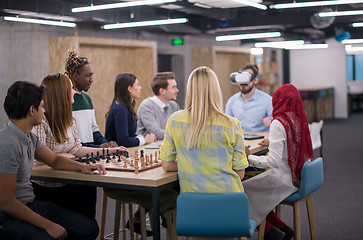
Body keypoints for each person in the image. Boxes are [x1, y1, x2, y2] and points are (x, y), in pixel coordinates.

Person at [0, 81, 105, 240]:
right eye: (42, 106)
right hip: (9, 216)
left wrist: (81, 167)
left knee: (88, 228)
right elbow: (6, 202)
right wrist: (47, 225)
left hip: (32, 205)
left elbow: (54, 160)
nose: (44, 110)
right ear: (32, 110)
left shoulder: (29, 137)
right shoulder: (8, 143)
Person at [31, 73, 126, 220]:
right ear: (60, 94)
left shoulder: (69, 118)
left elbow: (77, 150)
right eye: (70, 89)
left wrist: (110, 151)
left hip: (67, 181)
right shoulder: (40, 120)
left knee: (88, 189)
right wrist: (68, 156)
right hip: (47, 188)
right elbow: (39, 159)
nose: (75, 91)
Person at [160, 66, 248, 194]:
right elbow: (240, 174)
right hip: (228, 201)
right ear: (215, 90)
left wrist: (192, 163)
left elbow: (166, 165)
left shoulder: (175, 120)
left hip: (193, 205)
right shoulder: (231, 124)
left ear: (190, 90)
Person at [243, 83, 314, 240]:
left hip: (282, 179)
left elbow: (273, 162)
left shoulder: (278, 122)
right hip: (296, 176)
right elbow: (294, 145)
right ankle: (282, 229)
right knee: (253, 194)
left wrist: (248, 159)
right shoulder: (298, 119)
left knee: (241, 191)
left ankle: (270, 233)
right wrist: (274, 143)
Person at [65, 49, 117, 148]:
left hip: (90, 153)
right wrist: (98, 148)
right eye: (88, 76)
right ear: (75, 76)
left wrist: (105, 143)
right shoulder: (64, 100)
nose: (91, 80)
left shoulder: (87, 99)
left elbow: (94, 131)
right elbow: (71, 144)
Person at [105, 72, 156, 147]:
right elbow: (123, 141)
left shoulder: (126, 107)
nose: (140, 88)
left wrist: (142, 138)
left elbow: (131, 136)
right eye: (137, 85)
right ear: (129, 88)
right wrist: (144, 140)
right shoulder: (120, 109)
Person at [225, 64, 273, 132]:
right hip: (239, 140)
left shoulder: (268, 100)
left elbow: (276, 126)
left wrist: (271, 124)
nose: (243, 82)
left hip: (259, 140)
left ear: (255, 80)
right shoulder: (231, 101)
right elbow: (227, 125)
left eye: (247, 77)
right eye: (241, 78)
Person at [137, 72, 180, 140]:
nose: (177, 90)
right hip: (148, 149)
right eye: (173, 87)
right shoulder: (146, 106)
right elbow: (157, 134)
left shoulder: (174, 106)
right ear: (162, 91)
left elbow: (180, 129)